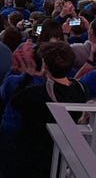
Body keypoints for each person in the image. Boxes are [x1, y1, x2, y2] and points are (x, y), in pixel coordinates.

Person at [11, 42, 90, 178]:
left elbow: (14, 102)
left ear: (45, 65)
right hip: (68, 155)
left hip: (38, 156)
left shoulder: (36, 93)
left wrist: (29, 74)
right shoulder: (81, 88)